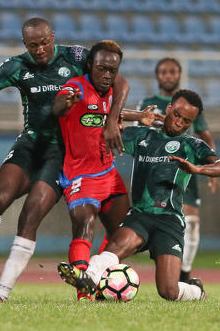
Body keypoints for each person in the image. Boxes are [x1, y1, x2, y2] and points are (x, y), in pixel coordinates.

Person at [0, 18, 129, 302]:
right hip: (30, 145)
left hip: (62, 154)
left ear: (53, 37)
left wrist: (114, 120)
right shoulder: (17, 65)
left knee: (29, 217)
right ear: (25, 45)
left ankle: (1, 294)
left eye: (45, 42)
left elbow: (117, 78)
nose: (40, 49)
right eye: (33, 45)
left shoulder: (76, 56)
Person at [58, 89, 220, 301]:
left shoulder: (192, 145)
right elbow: (106, 127)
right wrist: (132, 117)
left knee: (168, 291)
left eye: (186, 121)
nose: (179, 123)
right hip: (140, 215)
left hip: (169, 220)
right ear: (168, 108)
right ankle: (87, 276)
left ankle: (196, 291)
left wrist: (198, 170)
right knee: (115, 248)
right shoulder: (142, 135)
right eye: (176, 115)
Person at [53, 40, 156, 301]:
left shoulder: (110, 93)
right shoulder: (76, 87)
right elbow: (58, 106)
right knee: (85, 224)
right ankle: (82, 285)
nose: (107, 75)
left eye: (113, 71)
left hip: (109, 175)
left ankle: (99, 281)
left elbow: (110, 109)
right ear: (89, 65)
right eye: (101, 69)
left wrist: (138, 116)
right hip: (80, 175)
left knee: (120, 231)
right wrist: (66, 102)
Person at [127, 58, 219, 283]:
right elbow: (138, 133)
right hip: (156, 166)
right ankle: (169, 265)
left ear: (179, 75)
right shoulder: (147, 102)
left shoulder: (190, 102)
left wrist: (208, 167)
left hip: (184, 167)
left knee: (191, 221)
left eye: (172, 72)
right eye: (163, 72)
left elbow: (205, 135)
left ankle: (185, 273)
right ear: (157, 76)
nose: (168, 76)